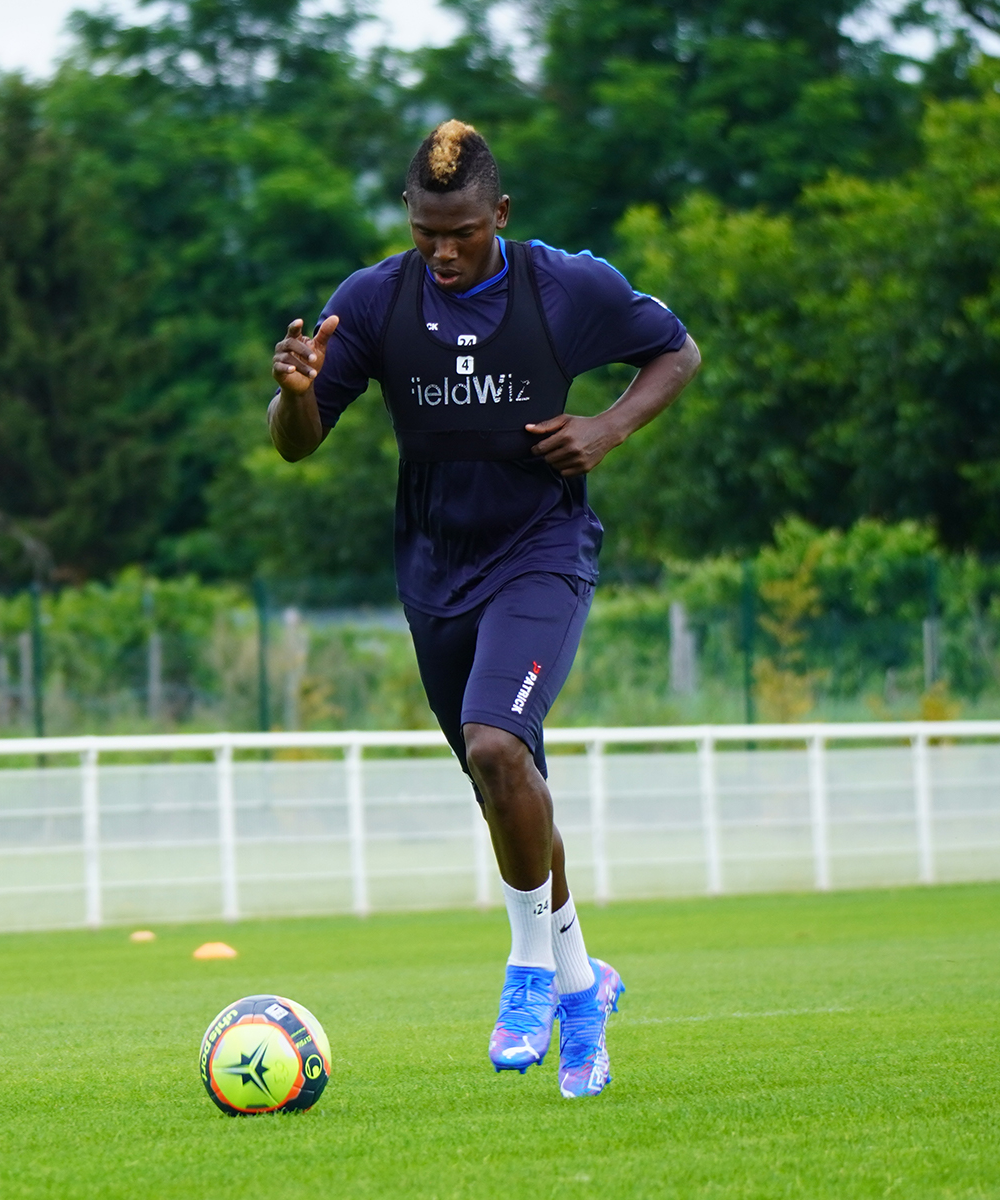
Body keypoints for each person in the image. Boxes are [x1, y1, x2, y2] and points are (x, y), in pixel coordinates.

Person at [267, 120, 701, 1098]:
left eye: (461, 232)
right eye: (426, 233)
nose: (444, 252)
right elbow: (298, 443)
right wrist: (294, 393)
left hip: (541, 553)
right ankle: (586, 986)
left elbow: (677, 352)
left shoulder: (564, 287)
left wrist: (607, 428)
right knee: (504, 783)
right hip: (432, 570)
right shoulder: (374, 300)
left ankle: (527, 970)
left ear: (499, 215)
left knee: (496, 746)